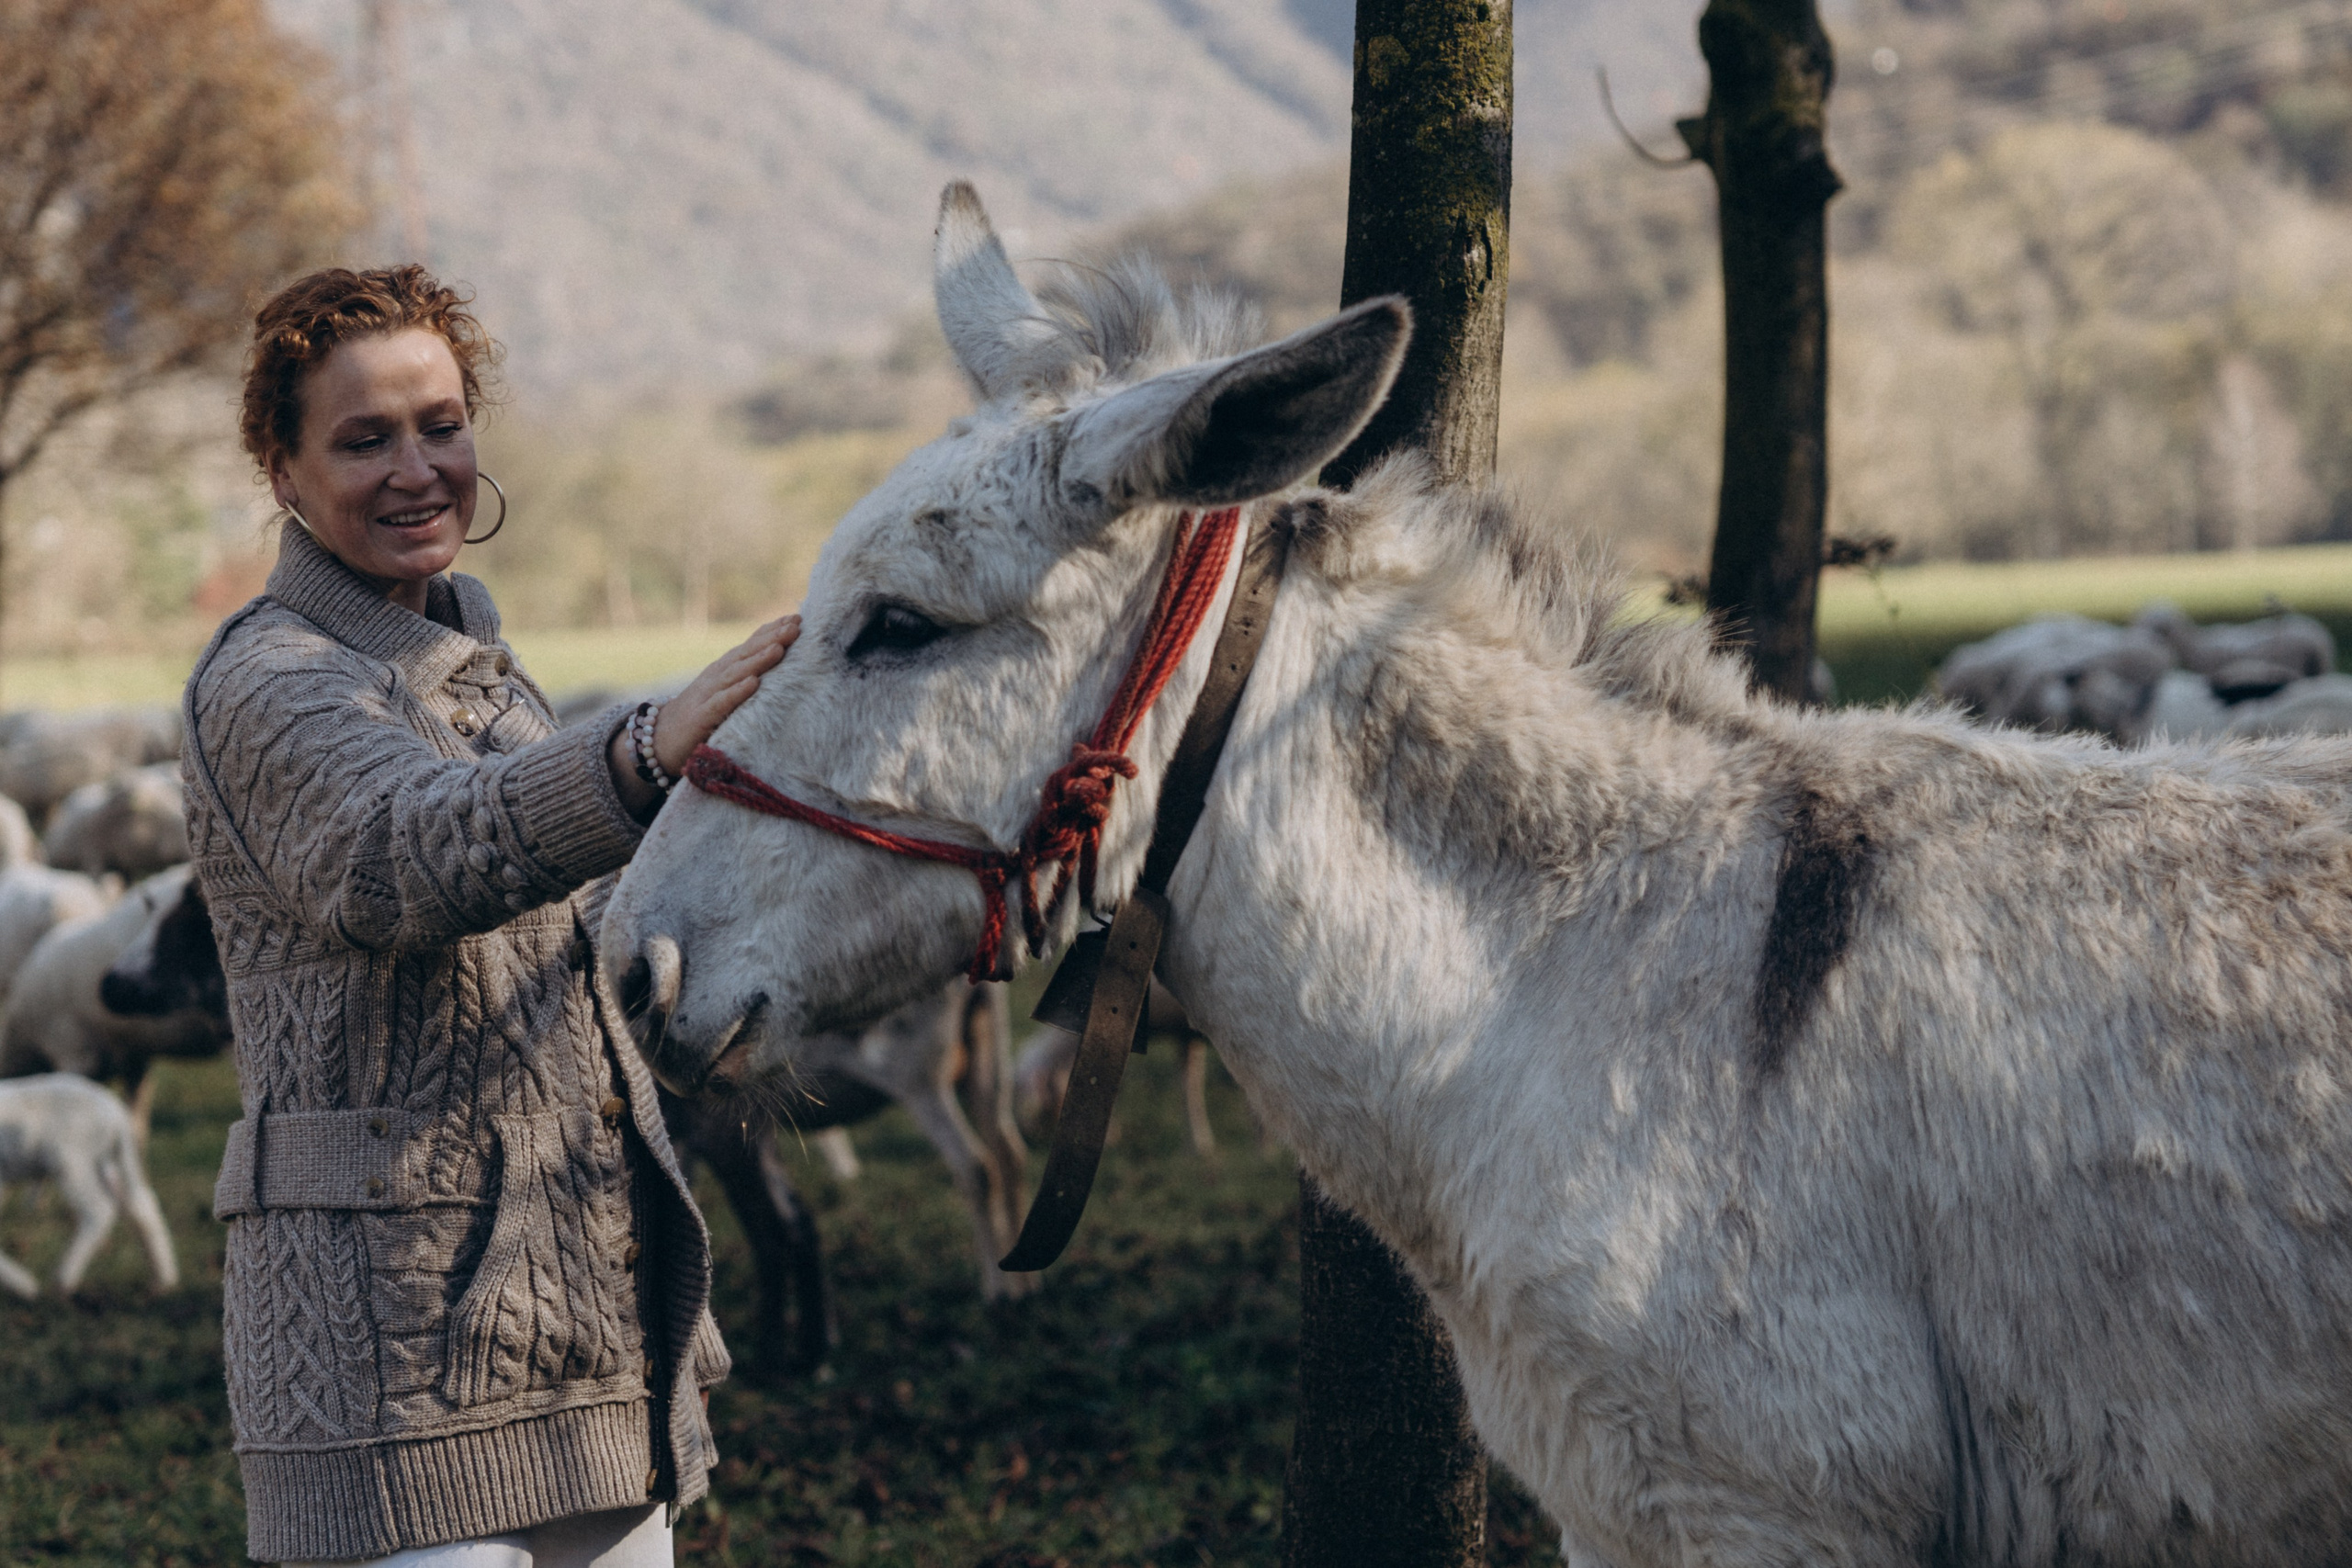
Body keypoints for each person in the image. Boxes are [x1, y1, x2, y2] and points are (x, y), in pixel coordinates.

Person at [183, 265, 797, 1567]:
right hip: (389, 1368)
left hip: (580, 1332)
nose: (418, 468)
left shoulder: (480, 671)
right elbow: (404, 854)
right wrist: (637, 754)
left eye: (441, 426)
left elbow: (567, 934)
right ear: (282, 473)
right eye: (365, 439)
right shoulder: (269, 676)